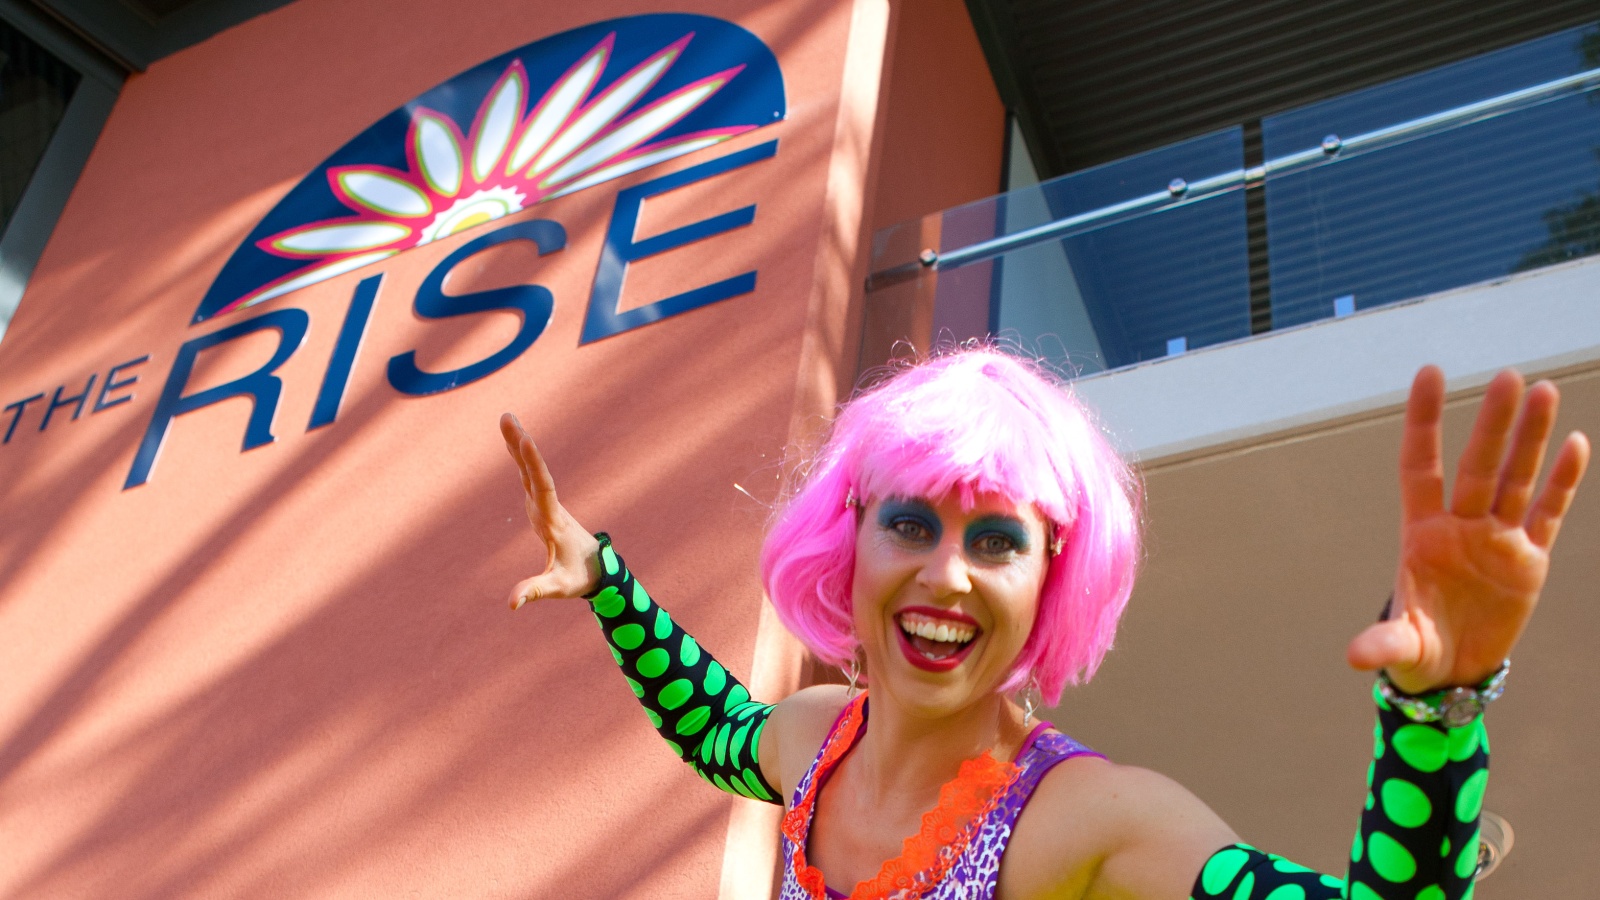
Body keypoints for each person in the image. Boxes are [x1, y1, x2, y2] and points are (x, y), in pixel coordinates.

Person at [497, 348, 1589, 900]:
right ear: (849, 536)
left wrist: (1436, 711)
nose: (947, 576)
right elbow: (713, 731)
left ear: (1051, 581)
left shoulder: (1084, 819)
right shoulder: (813, 738)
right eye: (911, 524)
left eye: (996, 541)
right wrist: (606, 582)